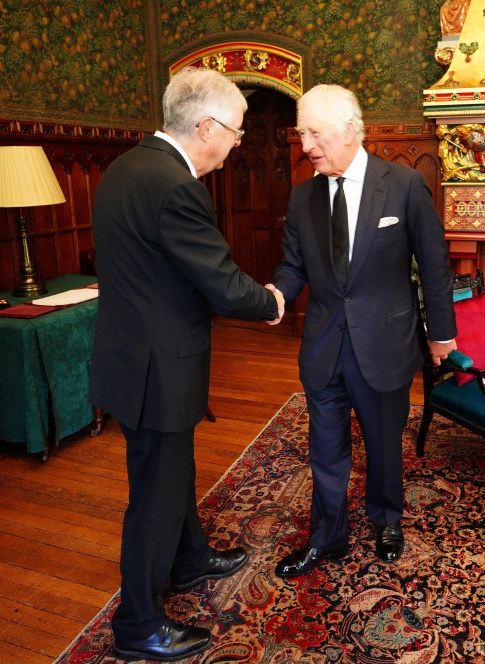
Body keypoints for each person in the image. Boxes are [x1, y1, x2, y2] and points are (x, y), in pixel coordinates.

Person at [89, 66, 284, 662]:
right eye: (236, 131)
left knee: (173, 472)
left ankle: (190, 557)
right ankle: (137, 625)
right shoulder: (178, 188)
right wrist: (270, 302)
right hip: (157, 369)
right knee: (153, 493)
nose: (237, 143)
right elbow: (223, 286)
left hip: (132, 358)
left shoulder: (126, 167)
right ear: (206, 126)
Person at [269, 84, 457, 579]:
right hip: (324, 346)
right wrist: (278, 295)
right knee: (325, 449)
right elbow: (293, 267)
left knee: (382, 443)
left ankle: (387, 520)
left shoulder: (404, 184)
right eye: (301, 131)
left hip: (385, 344)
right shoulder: (302, 196)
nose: (306, 143)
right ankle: (326, 537)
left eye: (314, 133)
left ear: (350, 131)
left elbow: (434, 266)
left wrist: (442, 334)